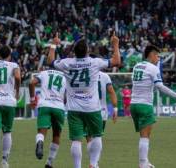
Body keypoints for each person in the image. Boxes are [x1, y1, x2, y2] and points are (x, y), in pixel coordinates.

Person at [47, 32, 121, 168]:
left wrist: (53, 44)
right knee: (97, 136)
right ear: (88, 51)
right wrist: (115, 44)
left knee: (76, 140)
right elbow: (116, 61)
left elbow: (50, 61)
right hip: (92, 107)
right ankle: (93, 164)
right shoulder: (94, 62)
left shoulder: (66, 63)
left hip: (74, 108)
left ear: (74, 52)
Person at [130, 45, 176, 168]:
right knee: (145, 137)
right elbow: (160, 87)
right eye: (157, 55)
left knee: (142, 136)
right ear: (151, 55)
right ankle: (142, 164)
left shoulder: (137, 66)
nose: (158, 58)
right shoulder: (153, 68)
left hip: (133, 104)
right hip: (145, 105)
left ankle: (145, 162)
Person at [29, 68, 67, 168]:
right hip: (59, 106)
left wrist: (32, 100)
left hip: (44, 105)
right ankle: (49, 162)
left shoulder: (44, 73)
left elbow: (32, 83)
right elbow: (67, 95)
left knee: (41, 132)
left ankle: (40, 142)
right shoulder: (65, 75)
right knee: (56, 135)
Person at [86, 71, 118, 167]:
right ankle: (95, 163)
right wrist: (115, 109)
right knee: (98, 137)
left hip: (88, 110)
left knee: (89, 139)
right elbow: (112, 92)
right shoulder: (105, 76)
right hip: (102, 111)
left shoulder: (86, 74)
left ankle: (93, 163)